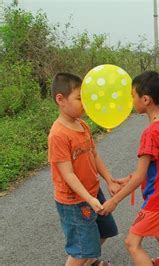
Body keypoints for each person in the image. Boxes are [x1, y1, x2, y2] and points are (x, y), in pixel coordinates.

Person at [100, 71, 159, 266]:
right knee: (158, 227)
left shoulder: (151, 133)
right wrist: (128, 178)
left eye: (133, 96)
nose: (132, 100)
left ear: (145, 99)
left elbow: (140, 176)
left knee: (132, 243)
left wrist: (114, 201)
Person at [48, 73, 122, 266]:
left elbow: (94, 155)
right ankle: (85, 260)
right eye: (80, 98)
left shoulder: (82, 125)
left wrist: (109, 179)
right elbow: (68, 174)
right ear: (60, 99)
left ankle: (90, 262)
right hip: (75, 201)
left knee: (105, 231)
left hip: (92, 192)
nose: (85, 103)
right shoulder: (58, 134)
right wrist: (88, 199)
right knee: (80, 250)